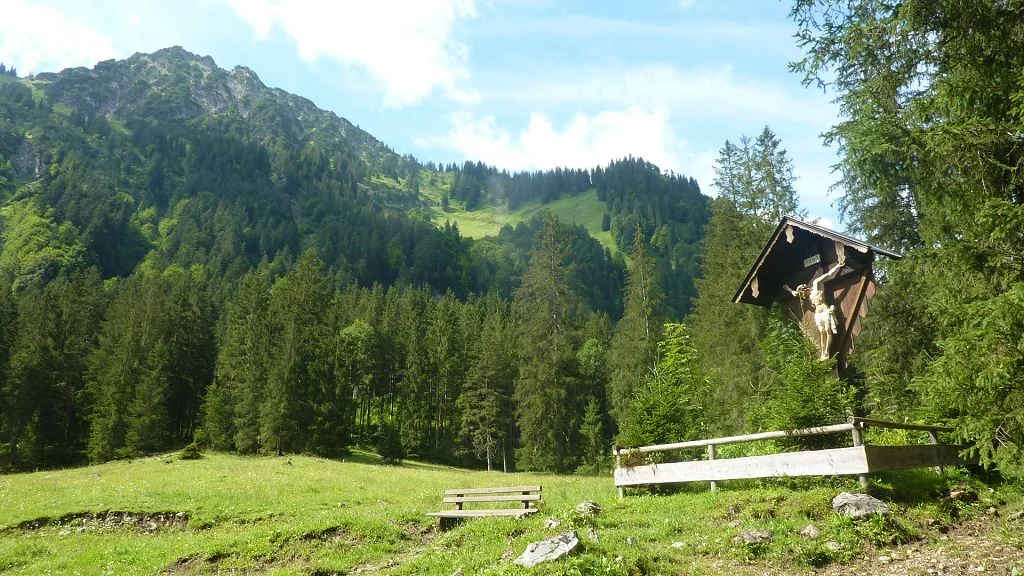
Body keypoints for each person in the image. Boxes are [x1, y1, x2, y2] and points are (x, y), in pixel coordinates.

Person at [788, 253, 846, 360]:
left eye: (803, 290)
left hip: (824, 310)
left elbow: (828, 274)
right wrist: (789, 290)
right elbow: (791, 291)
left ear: (805, 288)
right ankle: (823, 353)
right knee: (822, 332)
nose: (803, 293)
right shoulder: (808, 298)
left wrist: (838, 266)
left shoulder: (816, 285)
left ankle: (827, 352)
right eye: (802, 292)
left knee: (828, 330)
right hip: (818, 315)